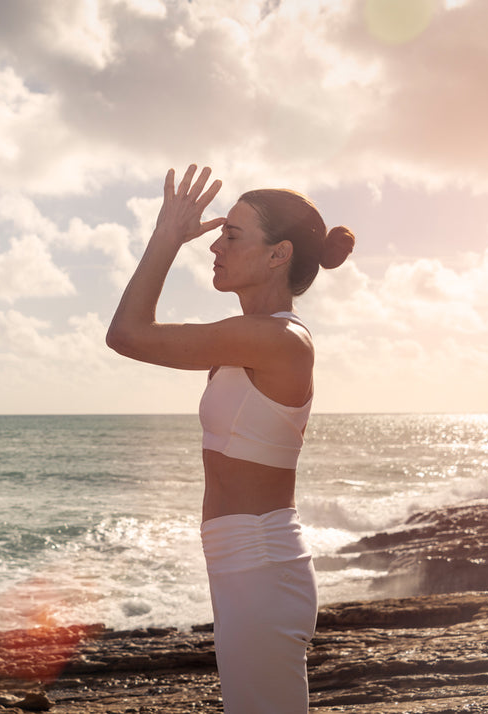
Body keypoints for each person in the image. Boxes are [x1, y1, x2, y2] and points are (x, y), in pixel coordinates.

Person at [106, 165, 354, 713]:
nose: (214, 245)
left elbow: (126, 334)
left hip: (260, 565)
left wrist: (166, 238)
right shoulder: (243, 338)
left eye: (232, 235)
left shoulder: (277, 340)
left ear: (277, 254)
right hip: (242, 564)